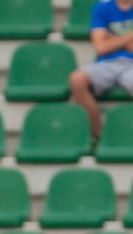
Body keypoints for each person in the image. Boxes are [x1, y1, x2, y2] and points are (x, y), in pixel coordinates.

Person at [69, 0, 133, 140]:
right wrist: (129, 37)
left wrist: (111, 38)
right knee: (77, 79)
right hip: (107, 64)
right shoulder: (102, 7)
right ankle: (97, 136)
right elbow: (101, 47)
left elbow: (106, 44)